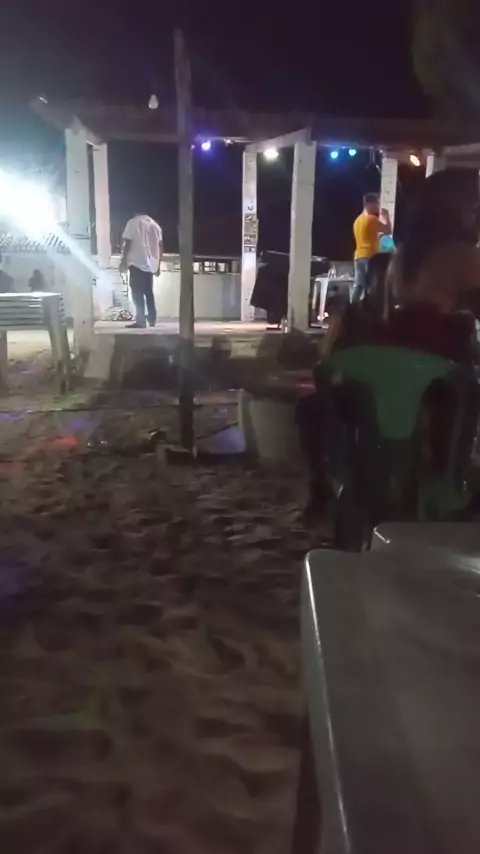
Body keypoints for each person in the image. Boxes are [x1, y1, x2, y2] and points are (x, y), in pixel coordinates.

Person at [119, 212, 163, 329]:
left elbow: (127, 243)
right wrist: (158, 265)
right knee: (148, 292)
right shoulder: (155, 226)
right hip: (151, 264)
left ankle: (141, 320)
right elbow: (160, 247)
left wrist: (123, 261)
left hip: (136, 262)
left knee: (136, 292)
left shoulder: (132, 223)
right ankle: (152, 319)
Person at [352, 193, 392, 303]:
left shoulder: (357, 220)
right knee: (371, 286)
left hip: (358, 256)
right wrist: (386, 217)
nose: (378, 206)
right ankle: (368, 308)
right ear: (370, 204)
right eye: (377, 203)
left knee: (359, 285)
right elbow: (388, 231)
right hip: (370, 256)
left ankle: (352, 307)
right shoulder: (372, 219)